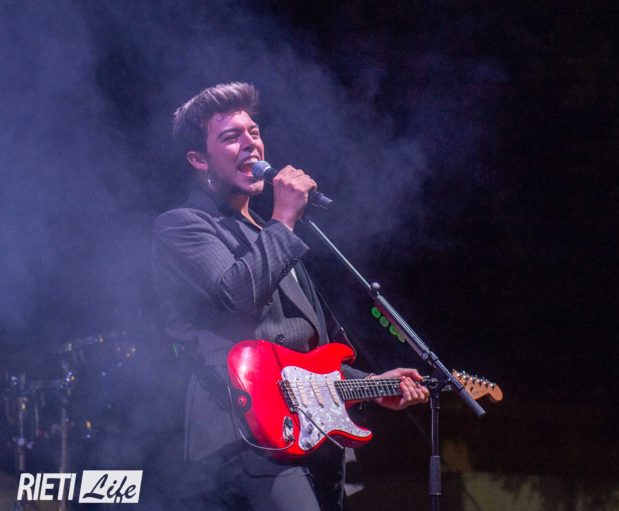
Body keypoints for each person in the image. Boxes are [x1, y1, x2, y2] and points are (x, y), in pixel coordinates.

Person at [151, 82, 429, 511]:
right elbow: (238, 297)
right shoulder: (183, 225)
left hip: (312, 436)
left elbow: (306, 357)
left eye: (254, 132)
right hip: (245, 433)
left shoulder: (273, 236)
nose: (250, 143)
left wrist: (372, 386)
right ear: (198, 159)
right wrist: (283, 217)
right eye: (231, 137)